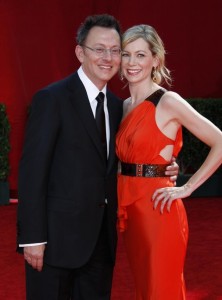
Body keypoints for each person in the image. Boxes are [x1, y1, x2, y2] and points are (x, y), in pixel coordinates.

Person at [17, 14, 179, 300]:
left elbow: (125, 159)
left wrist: (161, 167)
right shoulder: (52, 99)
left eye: (115, 50)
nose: (108, 57)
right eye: (99, 49)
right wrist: (32, 238)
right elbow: (32, 174)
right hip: (55, 244)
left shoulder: (119, 108)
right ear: (80, 52)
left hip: (101, 244)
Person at [116, 24, 222, 300]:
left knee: (161, 290)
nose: (132, 63)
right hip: (130, 207)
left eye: (141, 55)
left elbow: (220, 141)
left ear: (155, 59)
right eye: (126, 54)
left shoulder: (168, 101)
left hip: (158, 209)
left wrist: (188, 187)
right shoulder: (123, 106)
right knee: (143, 288)